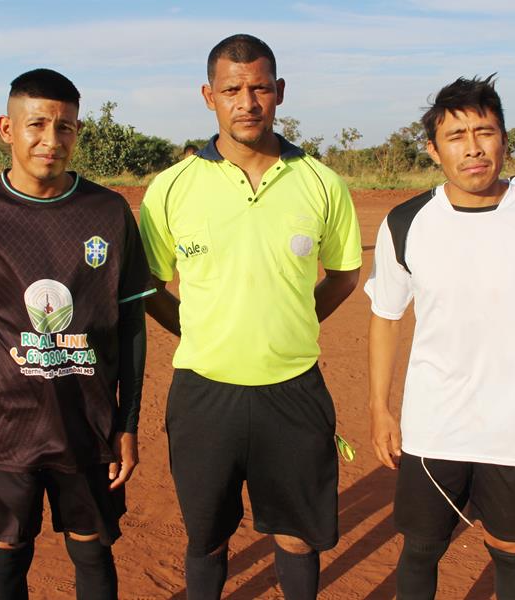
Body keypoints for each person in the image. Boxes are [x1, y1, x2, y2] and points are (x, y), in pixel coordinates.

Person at [139, 34, 362, 600]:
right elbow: (145, 285)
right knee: (206, 536)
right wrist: (196, 329)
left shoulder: (321, 182)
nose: (247, 102)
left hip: (292, 389)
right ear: (208, 95)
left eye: (260, 87)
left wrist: (293, 322)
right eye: (232, 89)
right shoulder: (171, 187)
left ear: (279, 92)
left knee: (295, 536)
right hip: (203, 391)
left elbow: (343, 274)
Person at [365, 75, 515, 599]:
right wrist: (380, 408)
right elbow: (385, 316)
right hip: (431, 426)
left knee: (511, 552)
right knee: (421, 548)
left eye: (484, 132)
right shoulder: (405, 222)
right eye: (455, 136)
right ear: (432, 149)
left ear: (504, 139)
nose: (472, 148)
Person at [0, 68, 154, 600]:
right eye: (36, 125)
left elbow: (130, 324)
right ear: (7, 128)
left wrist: (128, 423)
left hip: (89, 426)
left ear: (77, 131)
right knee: (6, 565)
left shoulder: (108, 210)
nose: (51, 141)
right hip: (3, 428)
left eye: (66, 128)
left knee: (93, 556)